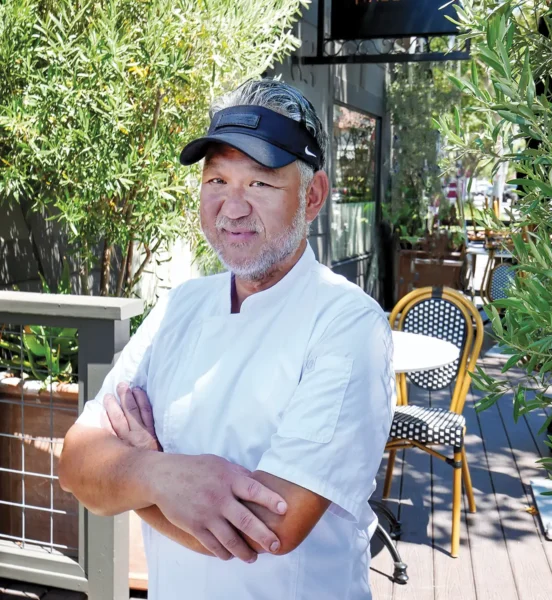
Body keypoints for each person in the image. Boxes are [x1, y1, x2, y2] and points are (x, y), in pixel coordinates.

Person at [59, 78, 395, 599]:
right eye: (217, 180)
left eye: (260, 184)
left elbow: (265, 529)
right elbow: (78, 464)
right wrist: (161, 473)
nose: (232, 208)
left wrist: (131, 479)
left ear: (313, 196)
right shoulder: (179, 306)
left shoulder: (347, 325)